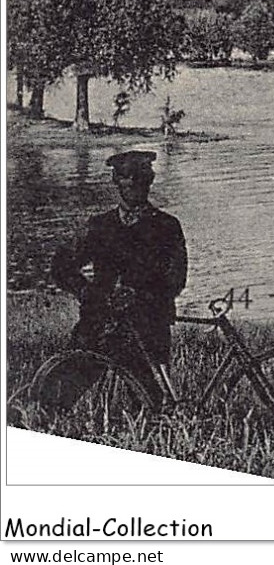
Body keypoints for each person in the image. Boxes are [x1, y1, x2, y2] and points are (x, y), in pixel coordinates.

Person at [45, 150, 188, 407]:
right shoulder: (99, 226)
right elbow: (62, 265)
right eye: (125, 178)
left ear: (149, 180)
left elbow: (176, 278)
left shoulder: (167, 226)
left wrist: (141, 296)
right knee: (60, 392)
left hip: (148, 324)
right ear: (116, 182)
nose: (132, 184)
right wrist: (88, 292)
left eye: (139, 178)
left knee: (152, 402)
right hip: (101, 322)